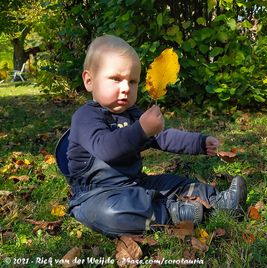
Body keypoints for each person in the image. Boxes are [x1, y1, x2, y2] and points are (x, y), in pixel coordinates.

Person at [64, 34, 247, 237]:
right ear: (89, 81)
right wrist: (141, 129)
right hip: (95, 194)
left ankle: (219, 202)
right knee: (111, 213)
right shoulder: (85, 117)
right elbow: (106, 148)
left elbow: (163, 137)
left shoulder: (133, 115)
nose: (125, 88)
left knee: (175, 183)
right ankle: (172, 213)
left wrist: (200, 142)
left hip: (136, 183)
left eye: (132, 82)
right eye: (115, 79)